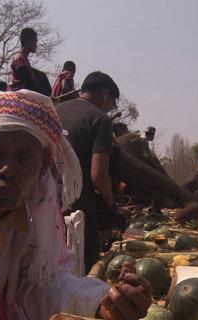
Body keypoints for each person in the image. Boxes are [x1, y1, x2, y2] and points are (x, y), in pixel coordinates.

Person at [0, 81, 151, 319]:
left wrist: (102, 300)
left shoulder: (26, 217)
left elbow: (41, 288)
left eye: (23, 157)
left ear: (43, 166)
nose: (7, 170)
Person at [56, 71, 120, 273]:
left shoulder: (55, 110)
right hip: (78, 211)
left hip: (46, 205)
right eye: (112, 103)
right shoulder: (100, 120)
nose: (109, 108)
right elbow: (98, 175)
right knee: (83, 269)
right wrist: (110, 198)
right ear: (106, 95)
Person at [8, 27, 51, 95]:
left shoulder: (25, 61)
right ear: (28, 41)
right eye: (35, 42)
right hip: (18, 93)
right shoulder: (19, 59)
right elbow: (27, 82)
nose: (36, 45)